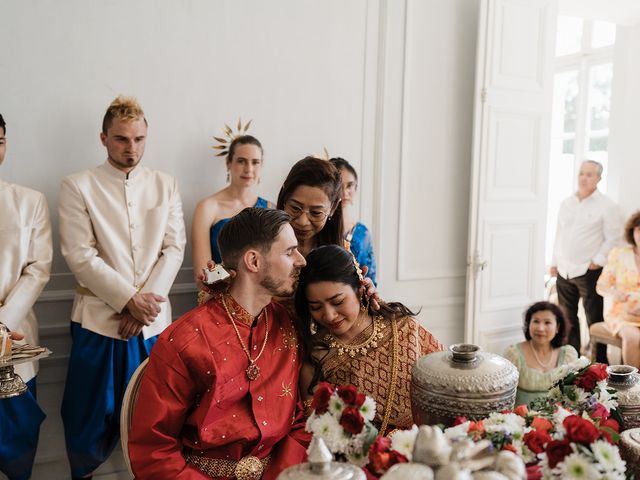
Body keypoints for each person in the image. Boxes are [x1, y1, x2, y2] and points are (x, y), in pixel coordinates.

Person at [58, 96, 186, 479]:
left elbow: (174, 247)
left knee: (155, 419)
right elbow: (79, 255)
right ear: (103, 138)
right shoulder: (77, 186)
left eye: (139, 139)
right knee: (87, 416)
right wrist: (129, 300)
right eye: (121, 140)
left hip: (153, 326)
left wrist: (143, 307)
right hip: (99, 321)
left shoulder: (166, 184)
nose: (132, 148)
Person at [129, 207, 309, 479]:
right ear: (253, 261)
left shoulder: (287, 325)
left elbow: (299, 420)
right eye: (289, 251)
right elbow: (154, 451)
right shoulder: (185, 341)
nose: (300, 260)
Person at [294, 245, 444, 435]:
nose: (329, 315)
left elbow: (447, 380)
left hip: (430, 438)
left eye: (338, 301)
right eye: (316, 307)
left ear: (359, 288)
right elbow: (318, 428)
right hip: (364, 457)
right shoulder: (316, 356)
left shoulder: (402, 327)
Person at [0, 113, 52, 480]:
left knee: (19, 440)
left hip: (15, 339)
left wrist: (1, 325)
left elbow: (37, 269)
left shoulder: (30, 201)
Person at [550, 160, 623, 362]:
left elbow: (613, 238)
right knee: (567, 319)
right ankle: (572, 362)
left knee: (593, 318)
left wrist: (597, 261)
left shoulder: (607, 206)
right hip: (564, 270)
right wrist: (554, 261)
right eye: (581, 173)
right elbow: (559, 234)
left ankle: (599, 363)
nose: (584, 178)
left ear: (599, 178)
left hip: (588, 271)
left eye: (589, 174)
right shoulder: (567, 203)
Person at [192, 133, 273, 281]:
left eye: (255, 162)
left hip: (263, 297)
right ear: (228, 162)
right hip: (218, 294)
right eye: (241, 161)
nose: (248, 169)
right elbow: (202, 274)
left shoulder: (270, 208)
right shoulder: (207, 208)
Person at [504, 301, 578, 407]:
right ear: (528, 324)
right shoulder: (513, 354)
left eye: (547, 322)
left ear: (557, 327)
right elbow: (503, 396)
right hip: (520, 419)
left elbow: (573, 395)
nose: (540, 328)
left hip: (558, 418)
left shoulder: (568, 355)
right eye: (536, 321)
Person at [277, 156, 344, 258]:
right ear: (284, 200)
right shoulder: (263, 244)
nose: (303, 222)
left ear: (333, 207)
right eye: (295, 208)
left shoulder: (341, 254)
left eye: (316, 213)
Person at [597, 211, 640, 367]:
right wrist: (614, 293)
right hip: (622, 313)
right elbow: (601, 286)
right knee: (634, 338)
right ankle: (634, 386)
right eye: (639, 230)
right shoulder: (619, 255)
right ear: (632, 231)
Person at [329, 157, 377, 285]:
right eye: (339, 186)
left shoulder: (362, 232)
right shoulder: (318, 226)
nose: (344, 193)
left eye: (349, 185)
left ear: (356, 188)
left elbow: (371, 276)